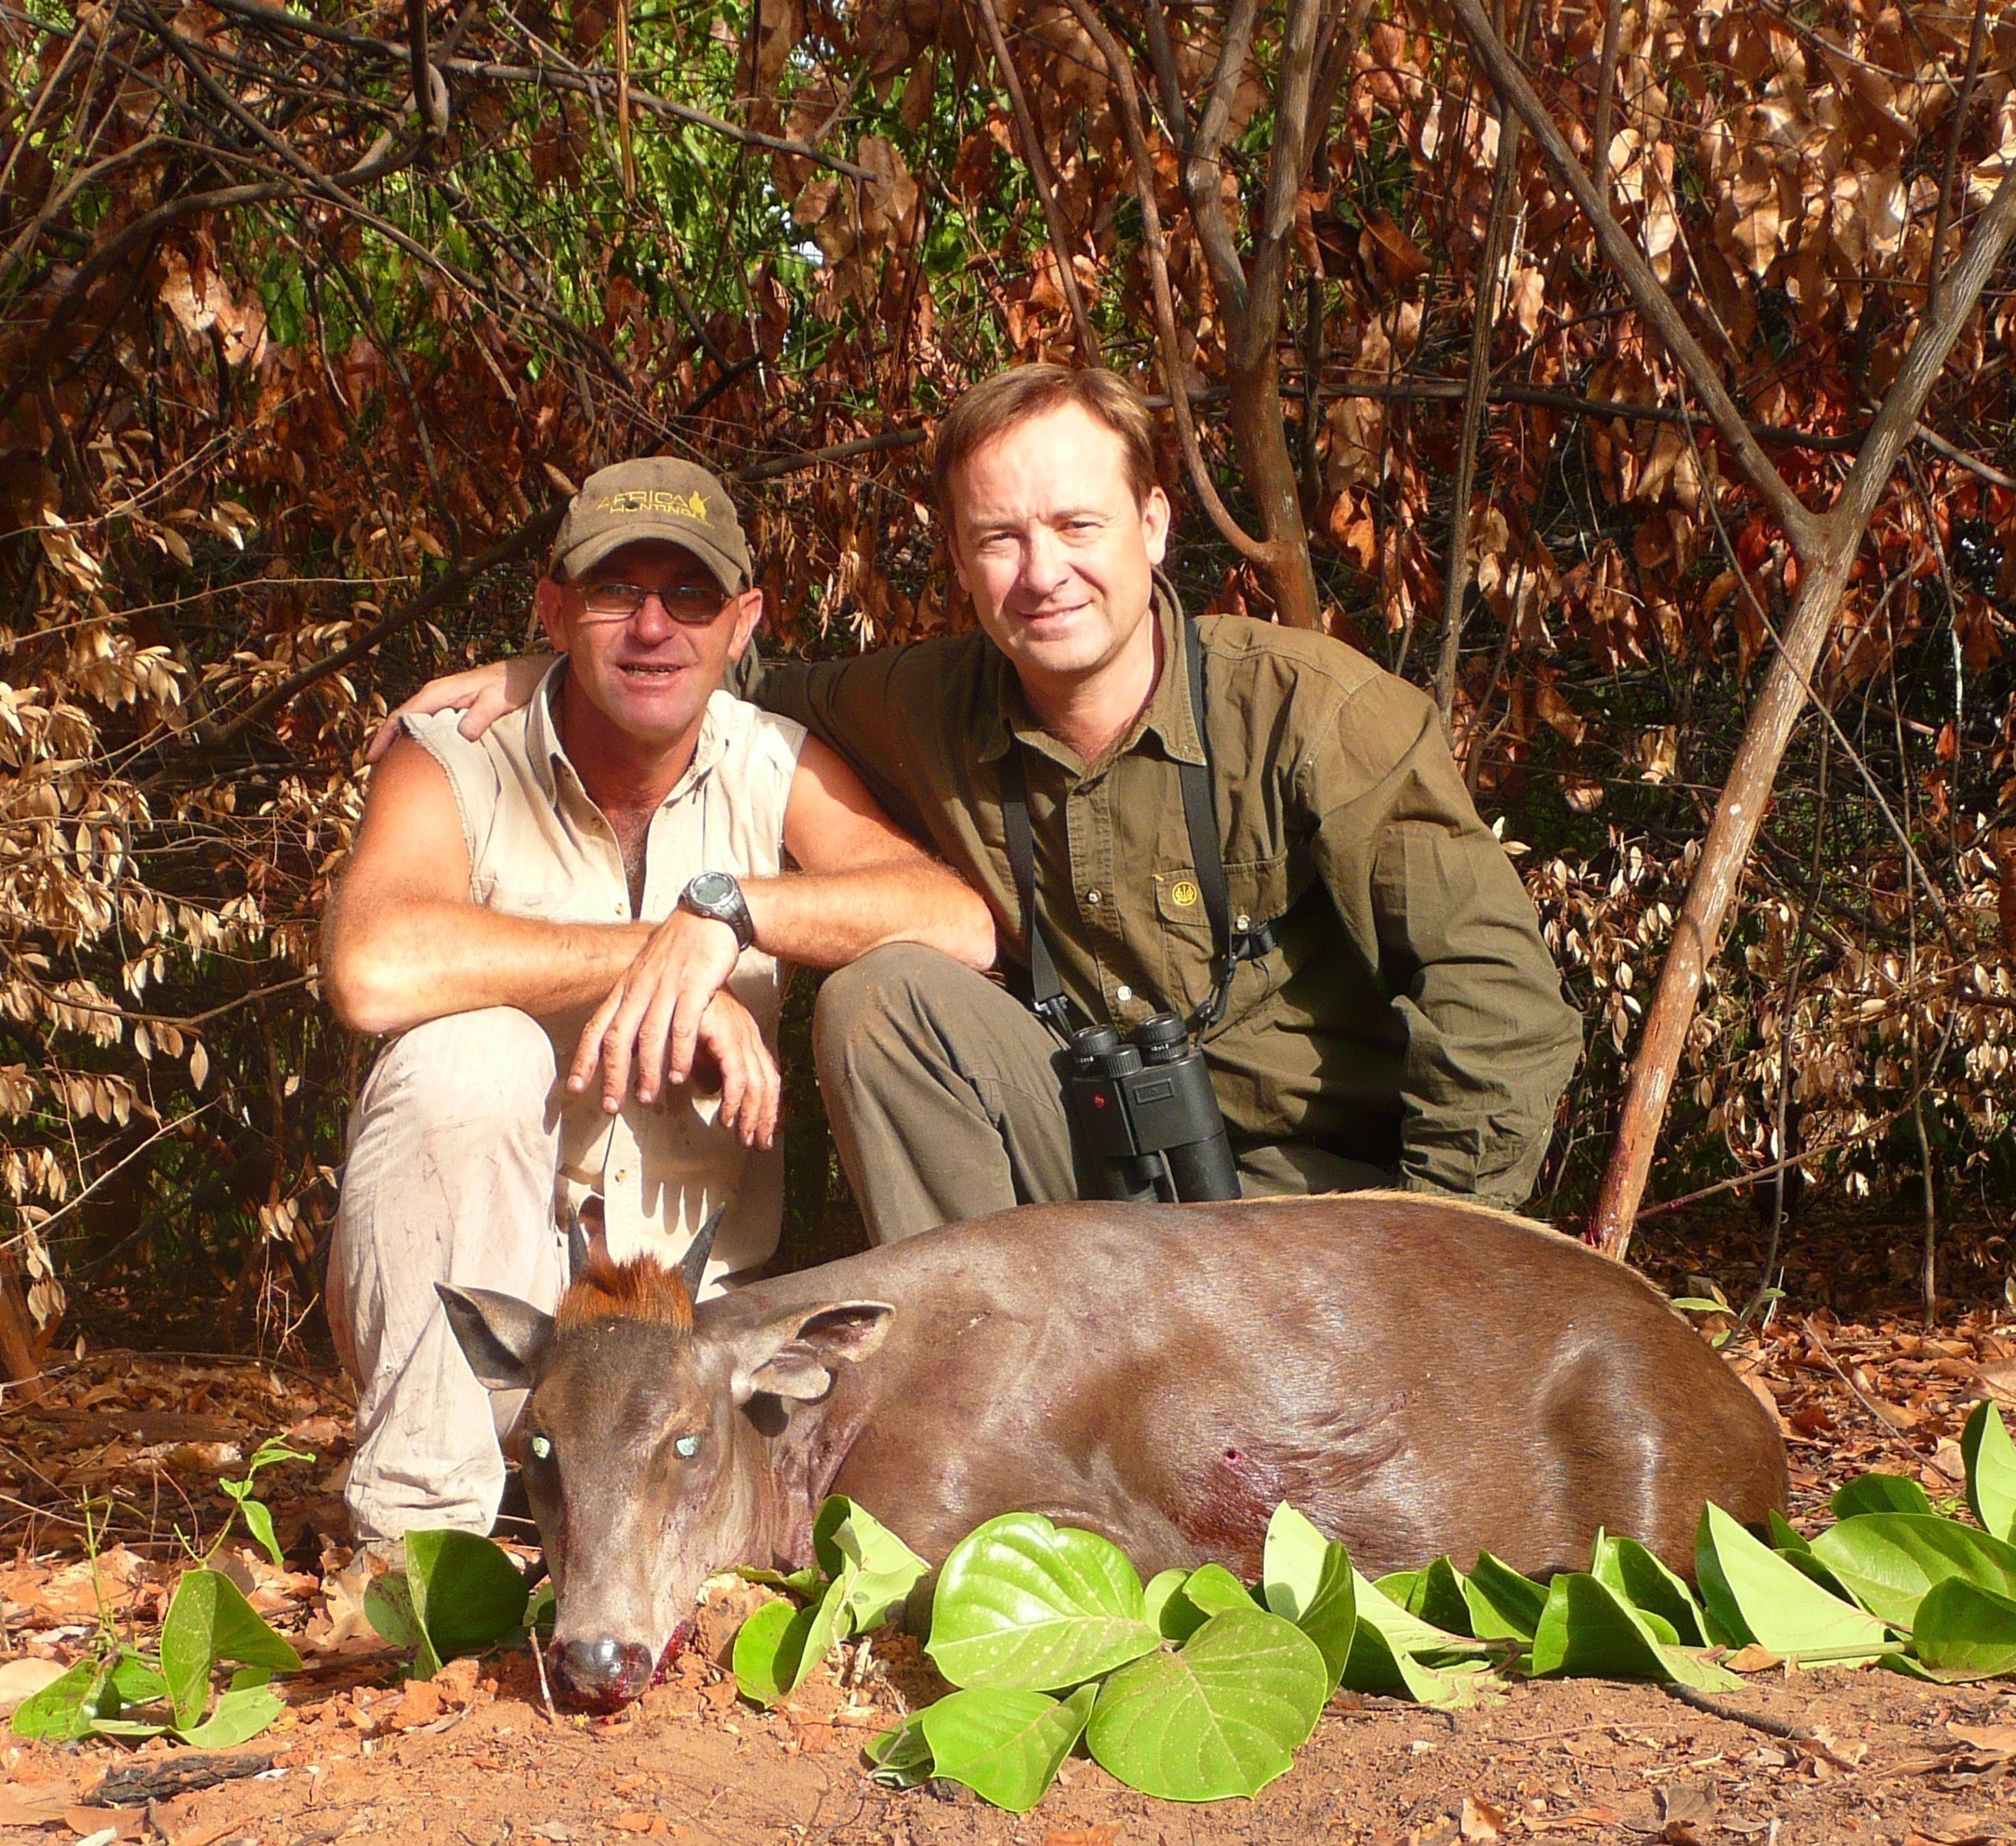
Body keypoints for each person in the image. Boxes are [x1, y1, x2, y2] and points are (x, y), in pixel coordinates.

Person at [384, 368, 1579, 1245]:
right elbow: (706, 670)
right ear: (958, 561)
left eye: (1076, 525)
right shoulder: (924, 700)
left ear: (1155, 526)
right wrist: (549, 667)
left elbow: (1501, 1004)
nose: (1042, 571)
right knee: (886, 998)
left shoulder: (1314, 711)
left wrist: (1437, 1255)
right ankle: (995, 1420)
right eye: (999, 538)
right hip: (1094, 1175)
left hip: (1323, 1208)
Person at [323, 457, 993, 1554]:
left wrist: (725, 917)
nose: (651, 627)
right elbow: (371, 968)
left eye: (688, 596)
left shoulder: (771, 762)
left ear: (744, 621)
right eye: (611, 592)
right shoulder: (454, 759)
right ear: (553, 609)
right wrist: (658, 956)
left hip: (702, 1346)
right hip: (502, 1341)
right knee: (466, 1057)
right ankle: (420, 1550)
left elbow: (955, 921)